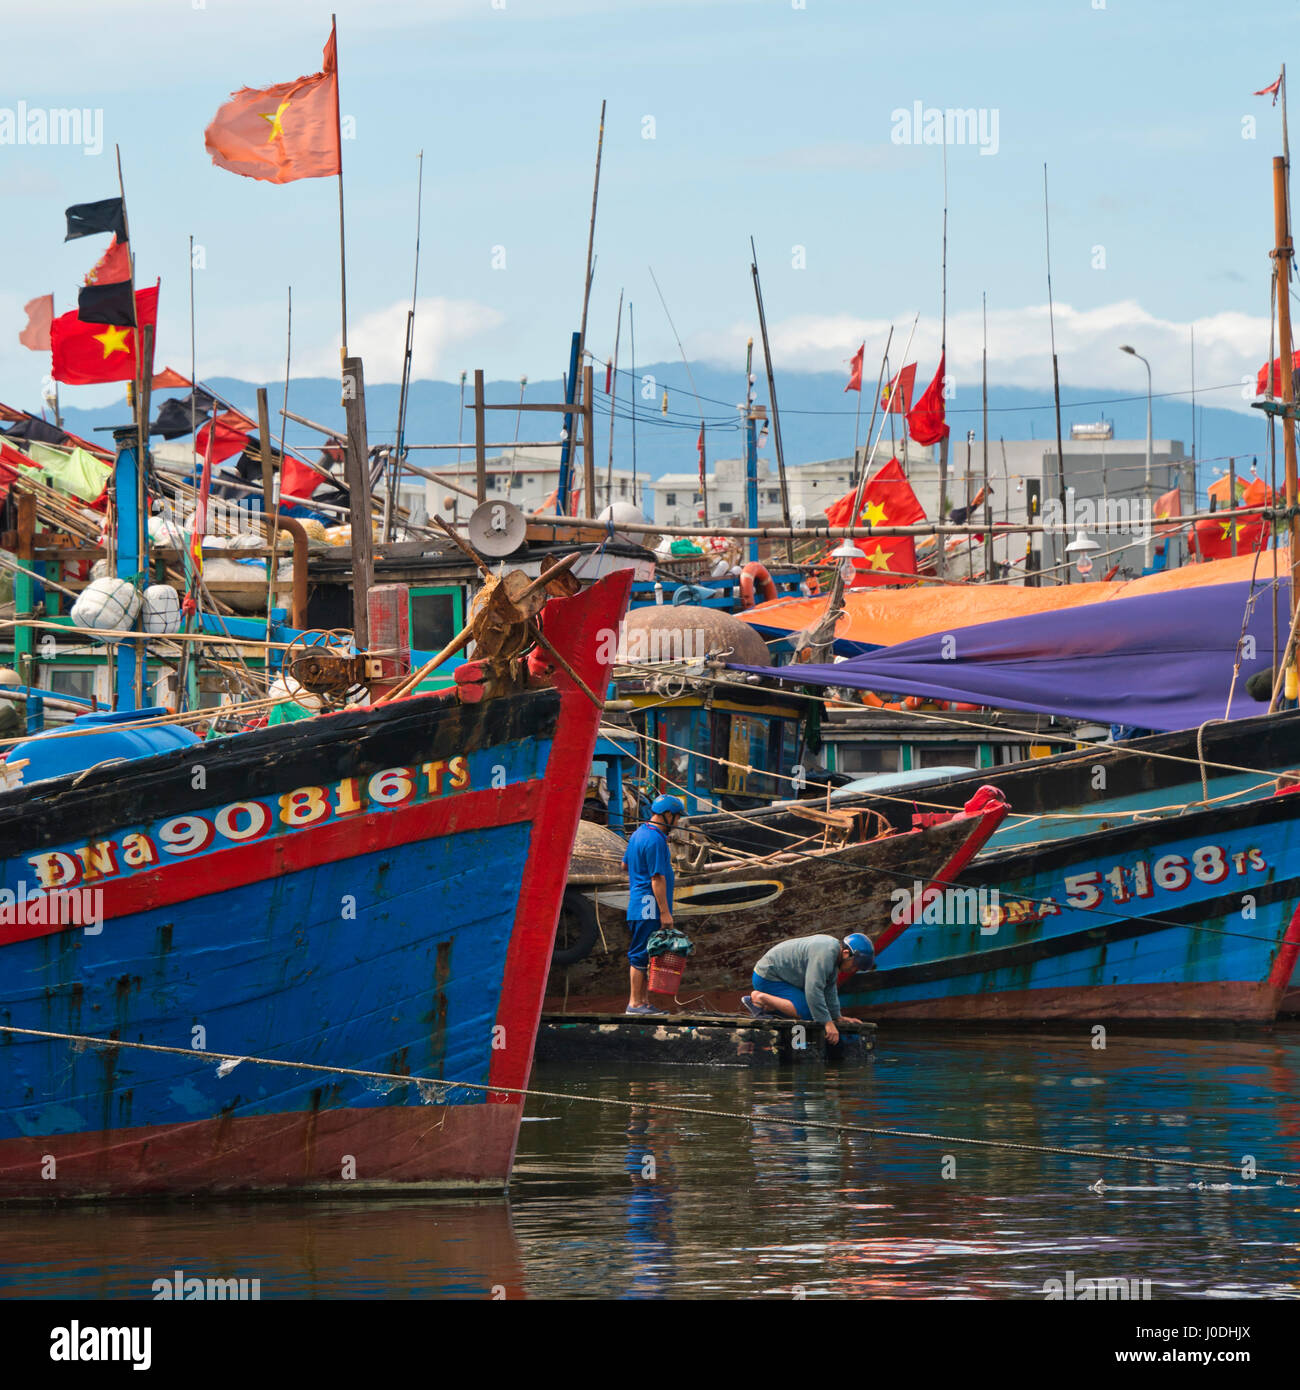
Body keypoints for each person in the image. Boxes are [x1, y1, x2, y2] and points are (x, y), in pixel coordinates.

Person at [742, 932, 875, 1044]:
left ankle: (769, 1007)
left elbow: (829, 989)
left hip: (784, 979)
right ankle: (759, 998)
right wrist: (827, 1023)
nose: (854, 970)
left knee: (815, 1011)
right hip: (768, 978)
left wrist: (836, 1016)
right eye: (855, 965)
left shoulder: (834, 954)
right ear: (846, 953)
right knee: (809, 1012)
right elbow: (813, 990)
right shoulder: (826, 954)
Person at [621, 795, 685, 1014]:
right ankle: (635, 1004)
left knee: (647, 954)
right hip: (649, 906)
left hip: (638, 904)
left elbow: (624, 864)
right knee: (639, 954)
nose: (676, 823)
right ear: (668, 815)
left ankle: (643, 1002)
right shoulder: (656, 839)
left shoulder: (639, 833)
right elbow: (657, 878)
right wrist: (665, 913)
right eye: (676, 818)